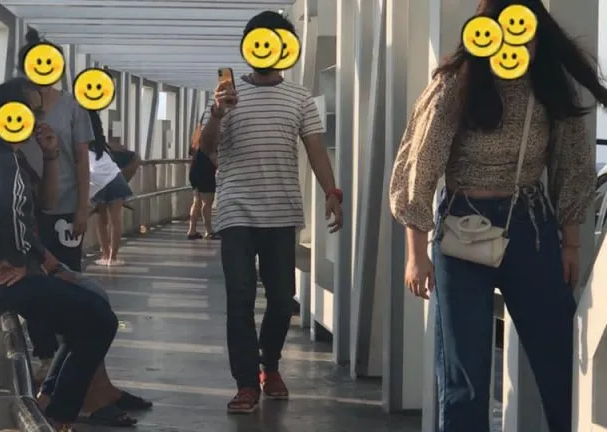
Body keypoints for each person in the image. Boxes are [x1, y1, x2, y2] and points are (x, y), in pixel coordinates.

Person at [388, 1, 606, 430]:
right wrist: (415, 253)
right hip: (461, 228)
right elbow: (421, 164)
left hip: (531, 227)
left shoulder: (548, 84)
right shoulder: (455, 83)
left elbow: (573, 164)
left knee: (559, 356)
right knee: (465, 375)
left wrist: (571, 243)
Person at [200, 11, 343, 414]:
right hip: (236, 211)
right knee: (240, 298)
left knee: (282, 299)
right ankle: (246, 383)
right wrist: (217, 113)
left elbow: (316, 149)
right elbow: (206, 148)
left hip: (282, 212)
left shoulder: (299, 98)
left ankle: (270, 364)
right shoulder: (225, 98)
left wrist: (331, 191)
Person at [0, 80, 118, 432]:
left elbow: (44, 203)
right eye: (34, 111)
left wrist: (50, 155)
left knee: (89, 305)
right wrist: (18, 262)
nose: (40, 117)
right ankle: (59, 413)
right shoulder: (3, 160)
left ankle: (52, 402)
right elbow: (8, 211)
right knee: (100, 320)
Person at [18, 28, 92, 274]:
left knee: (66, 270)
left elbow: (82, 160)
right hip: (25, 204)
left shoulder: (73, 106)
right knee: (30, 272)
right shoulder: (15, 107)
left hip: (66, 205)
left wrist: (82, 208)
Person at [88, 110, 137, 264]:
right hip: (115, 177)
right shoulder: (103, 146)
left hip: (97, 181)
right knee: (116, 219)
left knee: (101, 219)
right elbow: (133, 157)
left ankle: (104, 254)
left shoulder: (79, 144)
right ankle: (113, 257)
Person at [187, 112, 219, 240]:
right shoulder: (210, 137)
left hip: (194, 170)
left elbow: (191, 153)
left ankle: (192, 230)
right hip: (206, 171)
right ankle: (209, 231)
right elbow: (212, 156)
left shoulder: (196, 136)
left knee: (197, 201)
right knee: (207, 202)